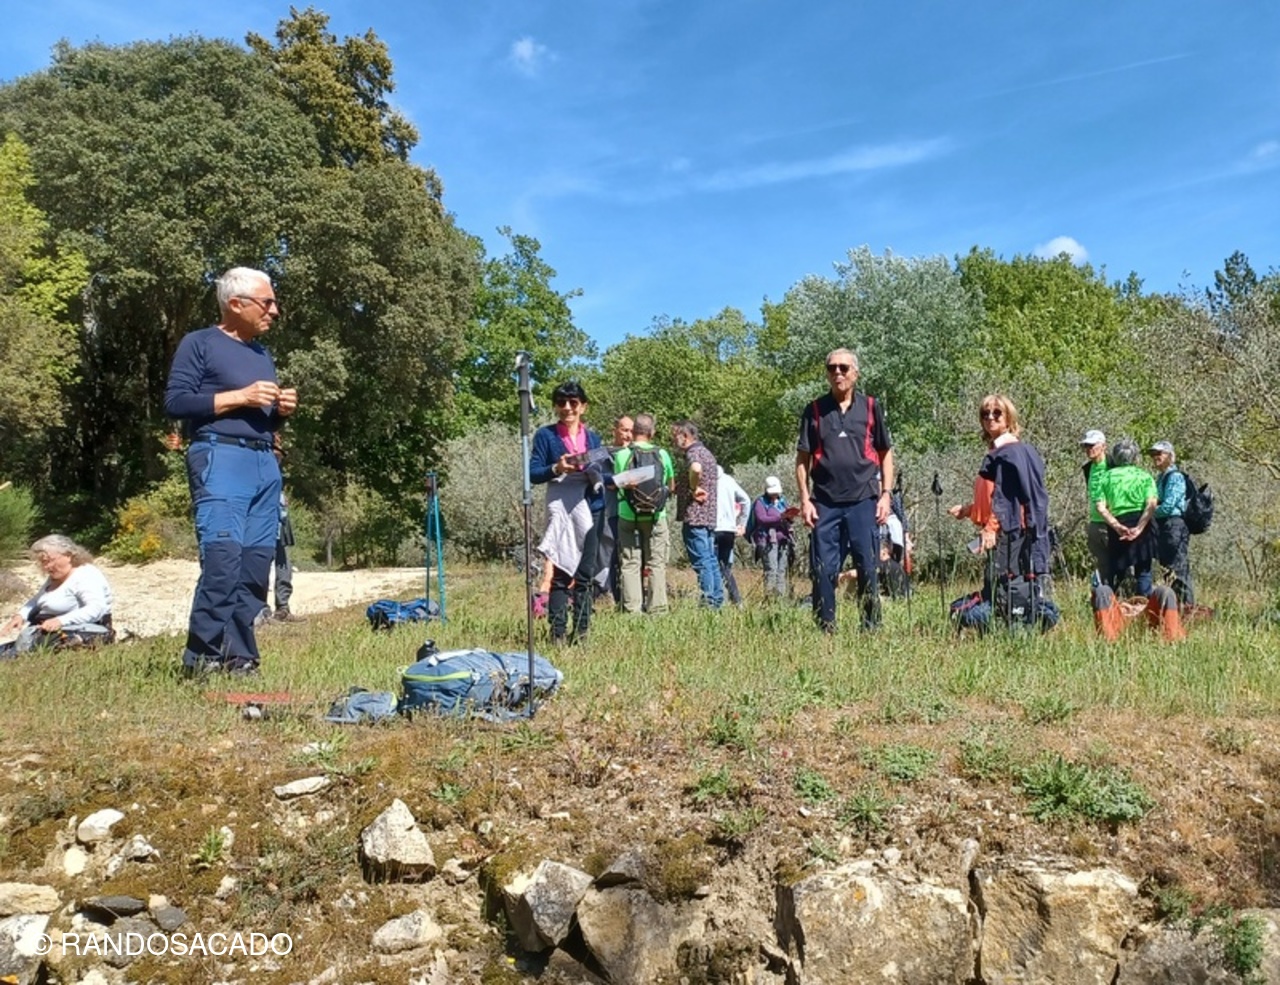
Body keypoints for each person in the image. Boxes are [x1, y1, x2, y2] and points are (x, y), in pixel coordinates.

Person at [164, 267, 295, 675]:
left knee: (255, 567)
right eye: (267, 302)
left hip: (264, 462)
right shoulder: (200, 342)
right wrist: (241, 396)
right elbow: (176, 402)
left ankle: (240, 658)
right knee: (222, 560)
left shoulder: (262, 354)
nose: (275, 311)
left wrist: (281, 412)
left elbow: (261, 420)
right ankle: (202, 659)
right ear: (236, 304)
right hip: (219, 456)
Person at [796, 348, 894, 633]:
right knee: (824, 569)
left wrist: (886, 494)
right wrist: (805, 499)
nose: (837, 373)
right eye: (831, 368)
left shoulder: (871, 407)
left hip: (864, 499)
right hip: (824, 502)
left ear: (855, 373)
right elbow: (802, 459)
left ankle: (871, 627)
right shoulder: (814, 410)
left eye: (843, 367)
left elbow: (885, 452)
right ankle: (825, 628)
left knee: (867, 566)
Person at [948, 395, 1056, 633]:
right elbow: (995, 498)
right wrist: (968, 510)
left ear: (1009, 418)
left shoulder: (1008, 453)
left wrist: (990, 529)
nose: (990, 417)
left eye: (997, 413)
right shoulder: (1002, 451)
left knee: (1005, 585)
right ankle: (1017, 626)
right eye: (985, 414)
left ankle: (1023, 628)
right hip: (1005, 530)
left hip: (1009, 533)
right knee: (1001, 585)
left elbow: (1008, 502)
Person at [531, 381, 608, 643]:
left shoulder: (593, 438)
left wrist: (616, 479)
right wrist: (557, 468)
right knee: (562, 573)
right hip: (563, 511)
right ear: (555, 406)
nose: (567, 408)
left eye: (573, 403)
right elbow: (533, 473)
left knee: (585, 574)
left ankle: (582, 633)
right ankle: (558, 634)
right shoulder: (546, 436)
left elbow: (602, 472)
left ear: (583, 407)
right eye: (561, 403)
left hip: (592, 507)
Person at [0, 535, 114, 657]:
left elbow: (96, 608)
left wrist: (60, 621)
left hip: (72, 634)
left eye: (49, 561)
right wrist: (21, 616)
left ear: (68, 555)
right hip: (44, 632)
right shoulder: (56, 576)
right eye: (42, 562)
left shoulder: (86, 575)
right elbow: (38, 600)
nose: (46, 567)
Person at [613, 413, 675, 614]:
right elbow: (671, 485)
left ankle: (632, 610)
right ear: (652, 432)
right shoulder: (662, 454)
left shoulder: (622, 455)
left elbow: (618, 483)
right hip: (656, 516)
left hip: (628, 513)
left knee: (630, 563)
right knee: (656, 563)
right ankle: (657, 609)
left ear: (633, 432)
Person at [1095, 437, 1158, 597]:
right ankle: (1144, 605)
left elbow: (1100, 508)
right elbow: (1151, 504)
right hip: (1142, 523)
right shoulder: (1145, 476)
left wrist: (1117, 527)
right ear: (1135, 457)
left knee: (1117, 569)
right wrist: (1139, 528)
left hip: (1118, 522)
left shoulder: (1106, 478)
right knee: (1143, 570)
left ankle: (1113, 604)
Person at [671, 421, 723, 609]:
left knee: (702, 562)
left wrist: (693, 488)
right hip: (708, 516)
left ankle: (708, 602)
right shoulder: (707, 453)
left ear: (685, 436)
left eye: (675, 436)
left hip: (695, 516)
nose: (673, 441)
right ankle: (716, 601)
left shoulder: (693, 453)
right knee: (711, 560)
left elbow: (696, 469)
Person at [264, 433, 305, 624]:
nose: (279, 456)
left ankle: (283, 608)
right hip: (263, 522)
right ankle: (261, 611)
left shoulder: (275, 469)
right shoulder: (258, 463)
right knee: (261, 566)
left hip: (279, 520)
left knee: (284, 566)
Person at [1150, 440, 1195, 607]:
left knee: (1178, 567)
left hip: (1174, 526)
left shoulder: (1175, 477)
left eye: (1159, 453)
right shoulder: (1161, 477)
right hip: (1164, 527)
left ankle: (1187, 607)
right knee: (1168, 569)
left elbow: (1169, 506)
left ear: (1170, 456)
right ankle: (1174, 607)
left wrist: (1148, 513)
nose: (1155, 457)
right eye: (1153, 454)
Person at [595, 415, 633, 604]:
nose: (628, 435)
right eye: (624, 430)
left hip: (633, 514)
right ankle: (604, 592)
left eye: (632, 431)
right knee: (607, 554)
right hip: (610, 512)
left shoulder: (637, 454)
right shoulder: (601, 454)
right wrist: (613, 481)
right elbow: (594, 475)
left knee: (629, 557)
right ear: (615, 431)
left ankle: (628, 597)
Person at [749, 476, 794, 599]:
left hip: (783, 539)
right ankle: (769, 598)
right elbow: (762, 519)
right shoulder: (760, 502)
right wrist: (780, 517)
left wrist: (790, 517)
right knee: (771, 569)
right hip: (768, 540)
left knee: (781, 570)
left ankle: (780, 598)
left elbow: (787, 517)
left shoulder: (782, 501)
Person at [714, 466, 751, 607]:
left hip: (712, 528)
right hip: (729, 529)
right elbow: (746, 500)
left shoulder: (707, 480)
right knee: (725, 566)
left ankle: (718, 600)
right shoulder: (729, 480)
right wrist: (742, 524)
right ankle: (736, 600)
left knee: (712, 566)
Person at [1080, 429, 1110, 579]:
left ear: (1103, 446)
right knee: (1102, 564)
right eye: (1086, 446)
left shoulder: (1113, 465)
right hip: (1095, 522)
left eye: (1092, 445)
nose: (1088, 449)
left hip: (1113, 522)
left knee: (1119, 562)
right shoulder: (1088, 468)